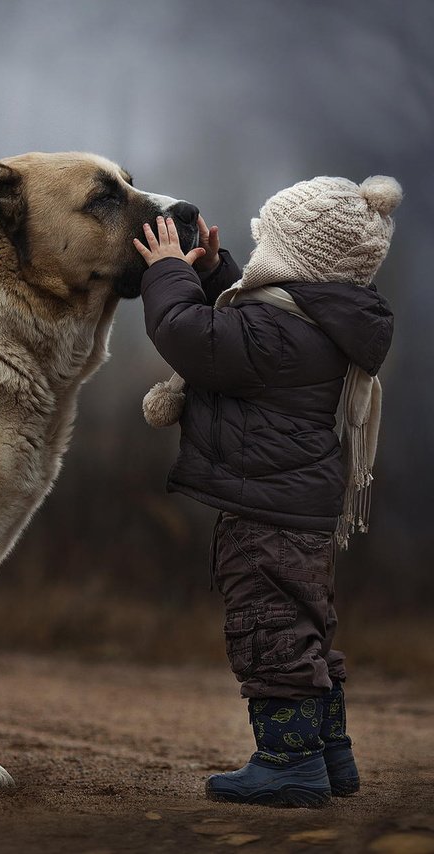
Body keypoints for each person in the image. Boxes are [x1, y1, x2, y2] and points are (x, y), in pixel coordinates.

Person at [133, 175, 400, 806]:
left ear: (296, 257)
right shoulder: (314, 321)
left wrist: (167, 273)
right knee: (305, 628)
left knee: (269, 630)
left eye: (267, 243)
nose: (256, 258)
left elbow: (187, 333)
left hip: (266, 513)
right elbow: (241, 321)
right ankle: (330, 757)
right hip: (298, 509)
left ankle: (288, 765)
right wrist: (212, 270)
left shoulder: (278, 336)